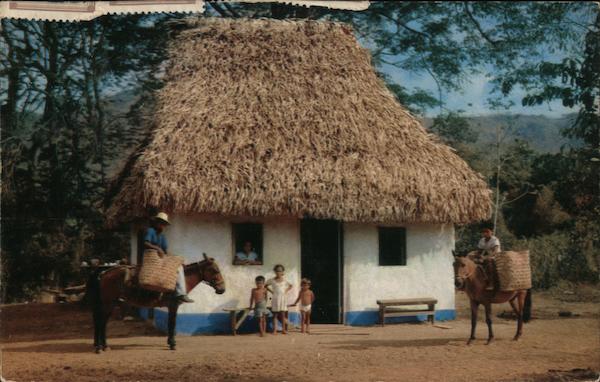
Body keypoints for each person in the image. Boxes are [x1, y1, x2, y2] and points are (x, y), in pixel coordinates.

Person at [144, 212, 193, 303]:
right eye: (161, 223)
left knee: (179, 267)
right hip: (152, 259)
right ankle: (181, 293)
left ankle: (176, 293)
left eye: (164, 224)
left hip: (161, 259)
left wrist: (174, 260)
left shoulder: (162, 237)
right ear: (156, 223)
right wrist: (157, 248)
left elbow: (165, 252)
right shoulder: (151, 231)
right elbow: (146, 243)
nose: (162, 226)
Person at [266, 264, 292, 335]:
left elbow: (290, 286)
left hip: (282, 299)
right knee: (275, 315)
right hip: (275, 298)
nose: (278, 272)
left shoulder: (285, 280)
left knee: (283, 315)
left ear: (283, 272)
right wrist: (272, 292)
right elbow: (265, 286)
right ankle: (275, 330)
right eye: (277, 271)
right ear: (275, 271)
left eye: (280, 271)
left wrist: (286, 291)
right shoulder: (271, 280)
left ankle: (283, 330)